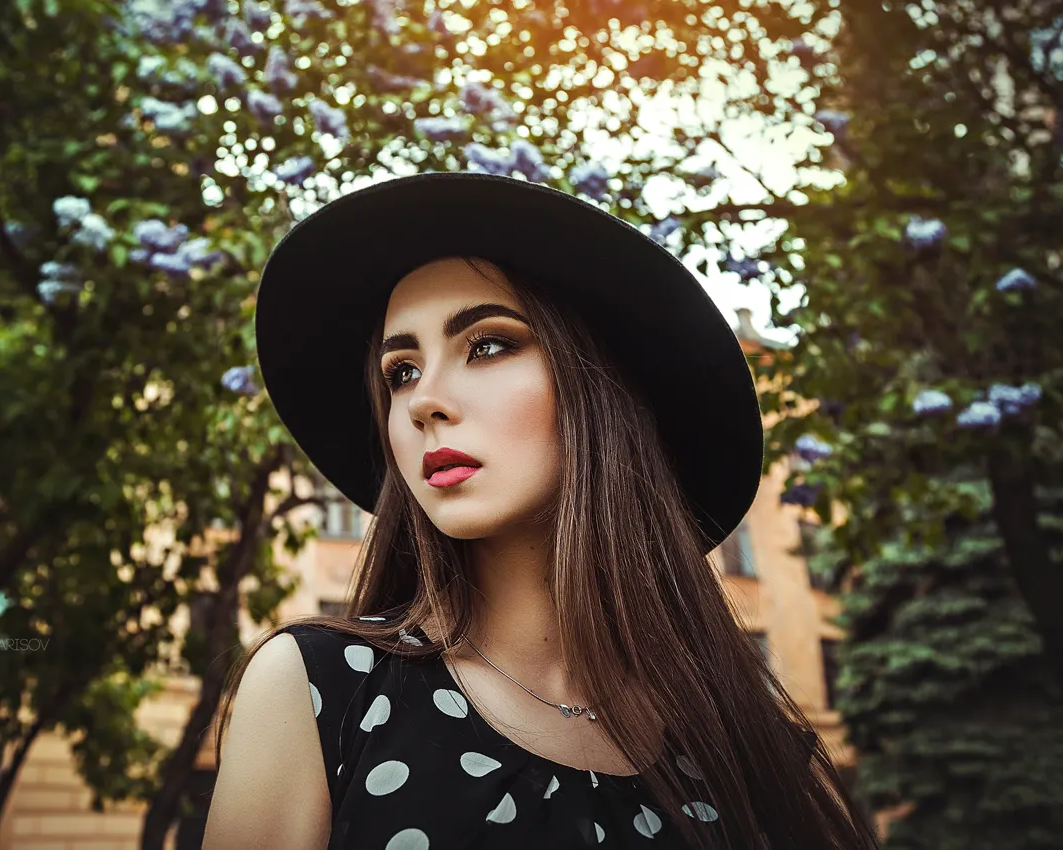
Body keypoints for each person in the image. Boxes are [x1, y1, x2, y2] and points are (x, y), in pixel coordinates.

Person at [202, 172, 878, 850]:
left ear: (596, 389)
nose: (421, 402)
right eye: (400, 371)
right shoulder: (320, 693)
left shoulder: (761, 757)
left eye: (487, 345)